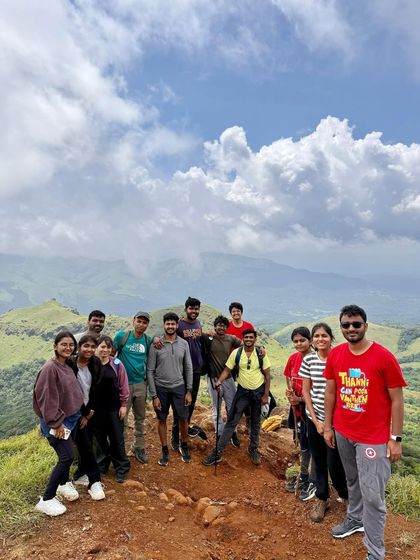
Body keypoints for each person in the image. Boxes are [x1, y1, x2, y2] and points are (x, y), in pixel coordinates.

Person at [324, 305, 406, 560]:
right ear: (341, 327)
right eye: (346, 325)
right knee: (352, 481)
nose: (351, 329)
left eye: (356, 324)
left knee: (373, 495)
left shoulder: (383, 357)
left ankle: (375, 552)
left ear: (365, 326)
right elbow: (330, 392)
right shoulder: (336, 355)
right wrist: (328, 427)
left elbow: (397, 400)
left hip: (374, 438)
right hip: (344, 431)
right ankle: (355, 518)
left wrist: (395, 439)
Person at [299, 323, 348, 523]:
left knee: (335, 463)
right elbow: (305, 392)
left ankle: (346, 496)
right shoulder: (309, 360)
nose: (320, 339)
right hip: (314, 419)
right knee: (319, 461)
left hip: (337, 422)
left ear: (331, 338)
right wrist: (316, 420)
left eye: (324, 336)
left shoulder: (340, 358)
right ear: (312, 340)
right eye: (316, 336)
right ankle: (322, 498)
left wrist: (328, 424)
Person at [202, 329, 271, 466]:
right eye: (246, 337)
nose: (248, 339)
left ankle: (253, 449)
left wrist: (265, 395)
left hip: (257, 392)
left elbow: (267, 375)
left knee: (255, 422)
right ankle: (217, 452)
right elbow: (227, 369)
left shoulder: (260, 354)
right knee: (232, 421)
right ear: (243, 339)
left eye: (251, 337)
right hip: (242, 392)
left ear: (255, 339)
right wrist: (219, 381)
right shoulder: (236, 353)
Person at [33, 331, 83, 516]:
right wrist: (56, 423)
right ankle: (46, 499)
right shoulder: (49, 368)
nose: (68, 348)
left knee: (66, 455)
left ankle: (63, 485)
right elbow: (47, 399)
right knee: (67, 457)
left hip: (70, 419)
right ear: (55, 346)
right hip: (58, 423)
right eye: (64, 344)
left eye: (71, 344)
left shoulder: (66, 364)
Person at [147, 312, 193, 466]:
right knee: (162, 419)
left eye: (173, 324)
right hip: (161, 388)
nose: (171, 326)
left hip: (179, 387)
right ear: (164, 325)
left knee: (183, 418)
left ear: (177, 325)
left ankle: (184, 445)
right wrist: (154, 395)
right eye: (168, 324)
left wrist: (189, 390)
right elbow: (150, 371)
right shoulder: (156, 345)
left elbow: (188, 368)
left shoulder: (184, 344)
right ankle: (164, 450)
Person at [69, 335, 105, 500]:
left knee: (86, 443)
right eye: (86, 346)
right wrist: (83, 413)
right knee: (79, 445)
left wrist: (89, 412)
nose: (89, 349)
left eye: (92, 346)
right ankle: (83, 477)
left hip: (88, 411)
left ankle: (93, 480)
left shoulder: (95, 363)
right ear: (79, 347)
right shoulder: (70, 364)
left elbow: (97, 388)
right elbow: (72, 392)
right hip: (72, 411)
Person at [114, 311, 152, 465]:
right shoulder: (122, 337)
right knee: (121, 417)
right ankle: (120, 448)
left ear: (147, 325)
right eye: (139, 321)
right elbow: (111, 356)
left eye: (144, 322)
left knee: (140, 418)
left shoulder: (148, 341)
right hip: (123, 385)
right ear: (133, 321)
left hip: (141, 384)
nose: (141, 324)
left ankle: (139, 447)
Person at [283, 326, 316, 501]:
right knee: (302, 443)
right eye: (295, 341)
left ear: (310, 341)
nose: (299, 344)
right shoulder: (293, 359)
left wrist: (300, 400)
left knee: (312, 444)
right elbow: (288, 376)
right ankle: (304, 476)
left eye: (302, 340)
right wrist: (290, 393)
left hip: (312, 411)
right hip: (297, 409)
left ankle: (312, 480)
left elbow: (319, 391)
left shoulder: (316, 360)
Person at [93, 335, 131, 483]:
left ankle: (121, 467)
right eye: (102, 346)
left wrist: (123, 405)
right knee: (100, 439)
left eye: (108, 347)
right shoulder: (91, 364)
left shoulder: (116, 364)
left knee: (117, 439)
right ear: (96, 347)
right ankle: (102, 465)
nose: (105, 350)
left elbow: (123, 386)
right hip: (96, 410)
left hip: (114, 408)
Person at [201, 315, 242, 446]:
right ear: (215, 326)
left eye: (223, 325)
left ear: (226, 327)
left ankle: (233, 432)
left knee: (232, 407)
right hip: (213, 379)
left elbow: (246, 343)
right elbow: (196, 335)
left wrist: (261, 348)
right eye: (219, 325)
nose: (221, 327)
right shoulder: (209, 338)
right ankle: (219, 433)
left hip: (228, 378)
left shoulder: (231, 339)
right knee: (216, 408)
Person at [172, 297, 206, 447]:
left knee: (191, 401)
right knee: (180, 402)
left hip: (196, 368)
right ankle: (175, 433)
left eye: (196, 308)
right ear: (186, 309)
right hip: (182, 369)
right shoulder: (179, 324)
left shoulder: (198, 323)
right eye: (191, 308)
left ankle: (186, 428)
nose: (194, 311)